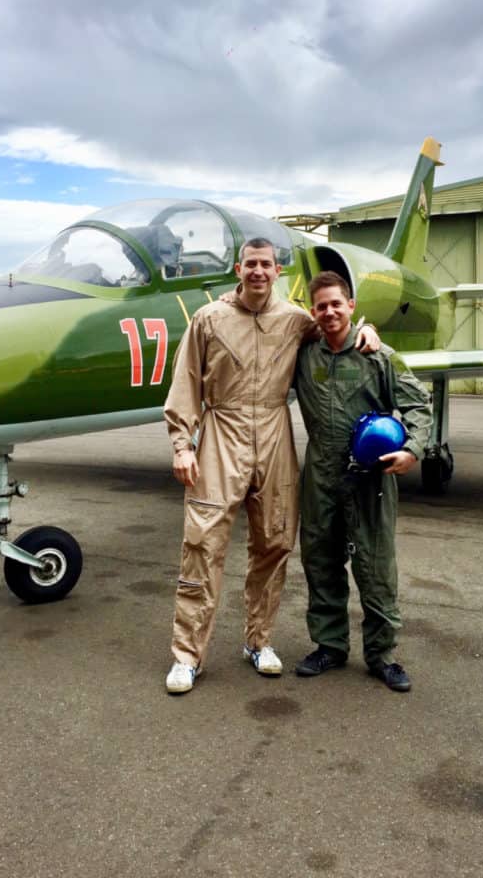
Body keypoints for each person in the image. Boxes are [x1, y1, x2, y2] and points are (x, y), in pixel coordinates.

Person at [163, 241, 380, 694]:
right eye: (251, 265)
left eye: (267, 265)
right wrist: (183, 444)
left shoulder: (296, 320)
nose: (259, 272)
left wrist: (371, 333)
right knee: (203, 542)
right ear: (238, 269)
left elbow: (336, 328)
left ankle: (258, 641)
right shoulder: (209, 319)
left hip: (275, 431)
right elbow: (184, 381)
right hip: (223, 428)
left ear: (277, 270)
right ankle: (187, 656)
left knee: (275, 542)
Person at [293, 271, 432, 693]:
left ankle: (382, 655)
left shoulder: (378, 356)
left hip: (369, 481)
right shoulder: (305, 356)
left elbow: (418, 405)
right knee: (320, 563)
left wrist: (413, 450)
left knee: (375, 570)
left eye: (337, 303)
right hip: (320, 477)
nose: (330, 311)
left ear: (351, 305)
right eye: (321, 306)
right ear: (313, 313)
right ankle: (330, 646)